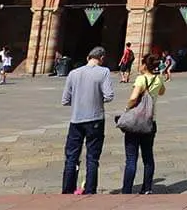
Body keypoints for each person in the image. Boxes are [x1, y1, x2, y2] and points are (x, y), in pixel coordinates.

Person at [60, 46, 115, 195]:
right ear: (102, 58)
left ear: (88, 57)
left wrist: (79, 101)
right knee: (92, 157)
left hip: (76, 119)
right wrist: (96, 99)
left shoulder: (73, 73)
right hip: (95, 119)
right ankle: (90, 190)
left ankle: (67, 189)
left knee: (71, 157)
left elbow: (65, 100)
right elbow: (109, 96)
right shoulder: (104, 72)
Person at [120, 54, 167, 194]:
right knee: (148, 157)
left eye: (141, 63)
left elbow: (134, 98)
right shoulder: (158, 79)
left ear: (145, 65)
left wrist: (127, 108)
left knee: (131, 159)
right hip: (150, 122)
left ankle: (127, 190)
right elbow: (162, 92)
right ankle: (147, 188)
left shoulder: (141, 79)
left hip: (135, 122)